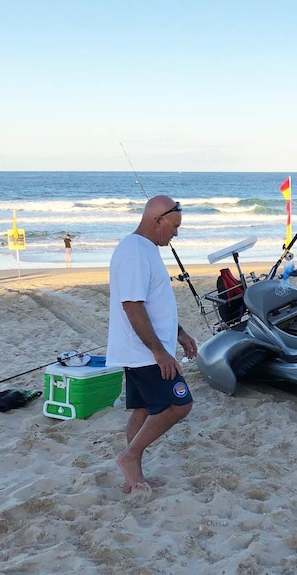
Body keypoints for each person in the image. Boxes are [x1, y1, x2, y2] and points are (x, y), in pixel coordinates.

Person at [106, 195, 198, 493]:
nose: (175, 233)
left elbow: (155, 304)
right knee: (179, 404)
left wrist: (180, 333)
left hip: (144, 350)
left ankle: (134, 477)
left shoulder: (145, 249)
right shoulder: (135, 251)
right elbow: (132, 305)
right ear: (157, 219)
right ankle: (129, 457)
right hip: (145, 352)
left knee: (143, 409)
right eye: (173, 226)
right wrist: (160, 351)